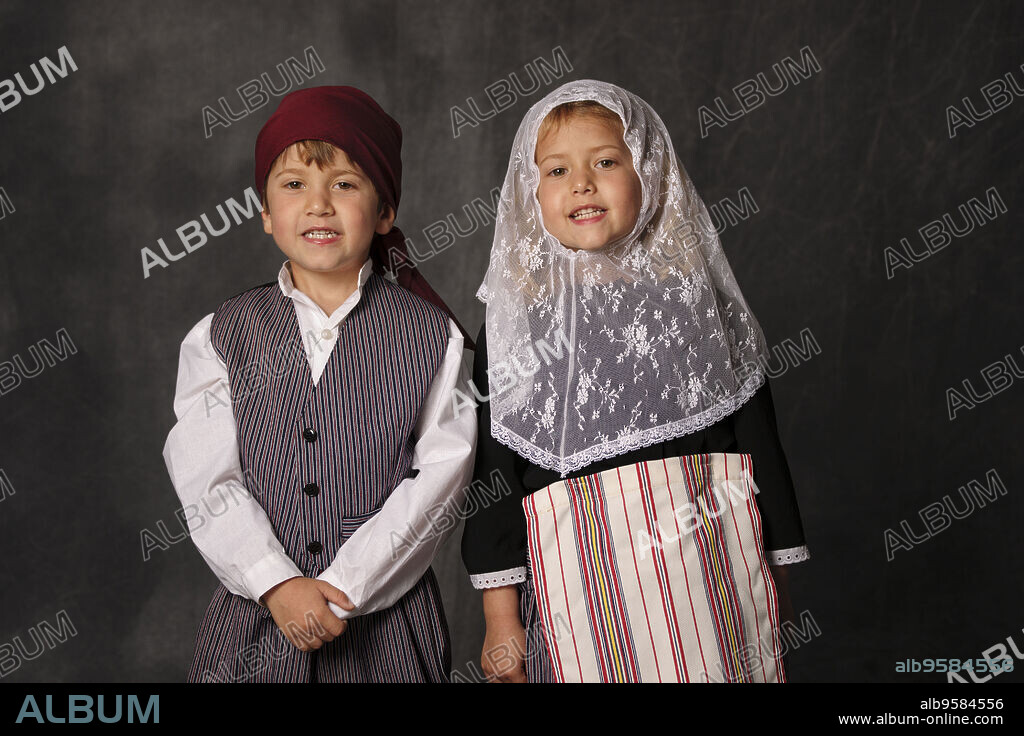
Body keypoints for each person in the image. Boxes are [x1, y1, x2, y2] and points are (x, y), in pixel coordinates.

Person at [460, 79, 809, 683]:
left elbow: (757, 440)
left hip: (708, 583)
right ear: (530, 194)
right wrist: (500, 618)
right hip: (574, 592)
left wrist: (767, 576)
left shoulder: (699, 308)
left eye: (606, 161)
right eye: (556, 170)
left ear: (649, 173)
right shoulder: (516, 329)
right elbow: (496, 471)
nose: (582, 184)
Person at [162, 85, 476, 683]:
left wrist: (343, 587)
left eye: (346, 184)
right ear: (265, 214)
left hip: (386, 633)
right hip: (254, 627)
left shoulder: (434, 336)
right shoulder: (220, 335)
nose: (319, 205)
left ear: (385, 212)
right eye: (294, 185)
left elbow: (441, 474)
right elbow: (205, 478)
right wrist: (274, 582)